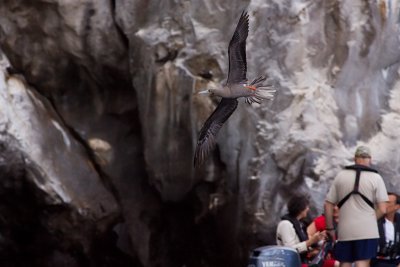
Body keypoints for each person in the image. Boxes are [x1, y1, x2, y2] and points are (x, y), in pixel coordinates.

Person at [324, 145, 388, 267]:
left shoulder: (341, 175)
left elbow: (328, 204)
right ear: (370, 159)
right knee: (362, 263)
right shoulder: (376, 178)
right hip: (367, 231)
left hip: (345, 230)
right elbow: (383, 208)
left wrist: (330, 229)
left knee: (345, 263)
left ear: (354, 159)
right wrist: (369, 220)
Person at [277, 194, 326, 266]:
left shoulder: (300, 224)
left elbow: (303, 245)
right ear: (300, 209)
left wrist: (318, 242)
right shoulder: (286, 224)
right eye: (307, 206)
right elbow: (290, 250)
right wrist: (310, 242)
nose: (308, 209)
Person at [371, 192, 400, 267]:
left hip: (396, 260)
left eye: (388, 203)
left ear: (397, 206)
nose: (383, 205)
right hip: (378, 261)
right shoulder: (375, 220)